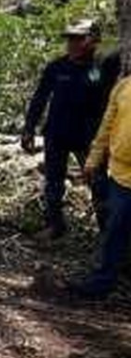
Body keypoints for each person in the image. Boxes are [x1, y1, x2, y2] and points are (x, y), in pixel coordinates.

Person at [21, 19, 120, 239]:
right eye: (70, 39)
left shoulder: (105, 65)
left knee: (99, 185)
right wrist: (29, 128)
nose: (72, 44)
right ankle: (55, 225)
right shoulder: (57, 67)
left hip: (89, 138)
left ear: (94, 40)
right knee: (53, 183)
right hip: (57, 134)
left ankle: (107, 235)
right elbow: (40, 98)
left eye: (79, 38)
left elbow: (122, 47)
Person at [78, 70, 131, 298]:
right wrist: (92, 160)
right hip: (121, 175)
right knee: (114, 230)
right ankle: (102, 283)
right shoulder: (123, 87)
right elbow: (106, 127)